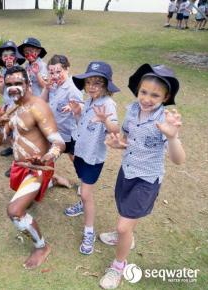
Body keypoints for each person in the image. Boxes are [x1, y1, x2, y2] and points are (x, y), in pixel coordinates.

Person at [98, 64, 185, 289]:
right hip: (127, 172)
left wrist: (173, 137)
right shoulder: (132, 110)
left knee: (123, 226)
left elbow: (178, 160)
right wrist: (118, 144)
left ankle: (118, 266)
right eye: (143, 92)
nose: (147, 98)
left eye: (155, 95)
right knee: (122, 212)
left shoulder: (164, 120)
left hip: (146, 180)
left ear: (166, 97)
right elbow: (126, 138)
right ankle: (126, 237)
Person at [0, 66, 65, 270]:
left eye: (18, 83)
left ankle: (41, 247)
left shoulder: (38, 107)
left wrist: (46, 159)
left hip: (37, 168)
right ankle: (52, 182)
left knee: (15, 211)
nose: (13, 88)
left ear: (27, 84)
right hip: (20, 166)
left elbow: (59, 143)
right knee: (27, 201)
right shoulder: (11, 108)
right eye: (9, 84)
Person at [64, 61, 120, 255]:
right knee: (82, 184)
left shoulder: (108, 104)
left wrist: (106, 120)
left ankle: (89, 231)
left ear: (106, 85)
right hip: (81, 151)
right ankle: (81, 204)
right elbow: (83, 123)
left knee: (87, 193)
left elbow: (115, 129)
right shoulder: (88, 101)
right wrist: (78, 113)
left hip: (93, 157)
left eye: (97, 83)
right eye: (88, 82)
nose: (91, 87)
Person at [40, 54, 83, 190]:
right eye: (52, 72)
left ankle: (83, 183)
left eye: (59, 71)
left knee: (75, 158)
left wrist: (73, 107)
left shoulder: (72, 88)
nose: (55, 75)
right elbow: (41, 101)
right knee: (49, 157)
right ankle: (48, 179)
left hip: (70, 132)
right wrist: (46, 87)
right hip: (54, 131)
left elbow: (81, 107)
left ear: (67, 69)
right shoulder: (51, 85)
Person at [0, 41, 25, 163]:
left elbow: (22, 89)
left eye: (11, 55)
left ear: (16, 57)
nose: (8, 58)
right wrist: (0, 84)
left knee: (18, 131)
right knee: (9, 130)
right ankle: (12, 148)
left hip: (17, 106)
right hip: (7, 104)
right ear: (1, 58)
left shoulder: (20, 69)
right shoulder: (3, 70)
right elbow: (3, 92)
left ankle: (18, 159)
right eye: (5, 56)